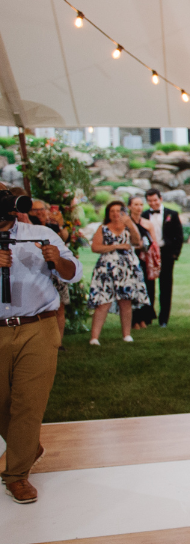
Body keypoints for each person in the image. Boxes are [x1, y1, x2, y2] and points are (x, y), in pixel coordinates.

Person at [0, 186, 81, 503]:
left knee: (28, 403)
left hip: (38, 326)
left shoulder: (40, 233)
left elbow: (74, 272)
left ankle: (16, 475)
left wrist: (58, 260)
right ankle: (27, 446)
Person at [87, 201, 150, 345]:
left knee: (125, 300)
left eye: (118, 211)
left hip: (126, 268)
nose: (115, 214)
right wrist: (117, 246)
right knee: (103, 302)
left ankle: (126, 335)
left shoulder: (129, 227)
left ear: (123, 212)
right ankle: (94, 337)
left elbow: (136, 242)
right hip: (106, 268)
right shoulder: (103, 228)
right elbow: (95, 247)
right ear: (108, 214)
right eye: (112, 211)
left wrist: (130, 224)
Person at [29, 198, 70, 345]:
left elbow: (65, 238)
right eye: (35, 210)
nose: (39, 212)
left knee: (59, 306)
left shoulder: (51, 226)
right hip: (37, 272)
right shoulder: (29, 228)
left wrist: (60, 223)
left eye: (42, 209)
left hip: (55, 271)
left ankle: (58, 343)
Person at [144, 189, 183, 326]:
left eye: (155, 200)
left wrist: (174, 254)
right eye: (150, 201)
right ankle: (148, 317)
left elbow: (179, 236)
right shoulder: (144, 215)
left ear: (160, 199)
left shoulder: (171, 214)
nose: (153, 203)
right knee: (148, 286)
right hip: (149, 254)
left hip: (166, 254)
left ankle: (163, 319)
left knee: (165, 287)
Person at [128, 196, 160, 329]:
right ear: (129, 206)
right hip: (131, 258)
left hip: (145, 259)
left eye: (141, 204)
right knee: (133, 288)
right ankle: (134, 320)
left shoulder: (147, 223)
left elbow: (154, 243)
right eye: (135, 204)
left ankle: (145, 318)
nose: (139, 207)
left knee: (147, 287)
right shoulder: (126, 223)